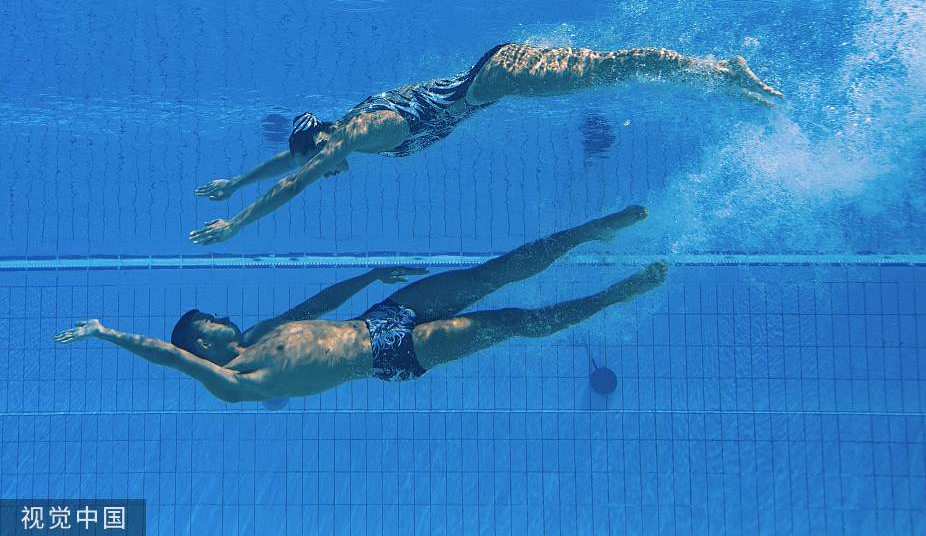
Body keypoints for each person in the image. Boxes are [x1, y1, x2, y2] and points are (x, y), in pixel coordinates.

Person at [189, 43, 781, 245]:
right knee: (607, 68)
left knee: (608, 70)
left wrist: (238, 222)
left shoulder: (357, 136)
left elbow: (297, 178)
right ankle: (715, 72)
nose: (322, 165)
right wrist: (236, 181)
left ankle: (719, 71)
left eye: (316, 153)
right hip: (493, 78)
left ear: (321, 142)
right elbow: (292, 161)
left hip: (495, 77)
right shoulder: (344, 129)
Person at [57, 207, 664, 402]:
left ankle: (588, 234)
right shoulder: (233, 378)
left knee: (494, 272)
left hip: (383, 316)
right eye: (208, 323)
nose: (220, 319)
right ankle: (615, 294)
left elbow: (318, 301)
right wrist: (107, 333)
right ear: (202, 342)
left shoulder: (266, 331)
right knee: (508, 322)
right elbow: (166, 356)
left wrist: (370, 274)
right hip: (391, 355)